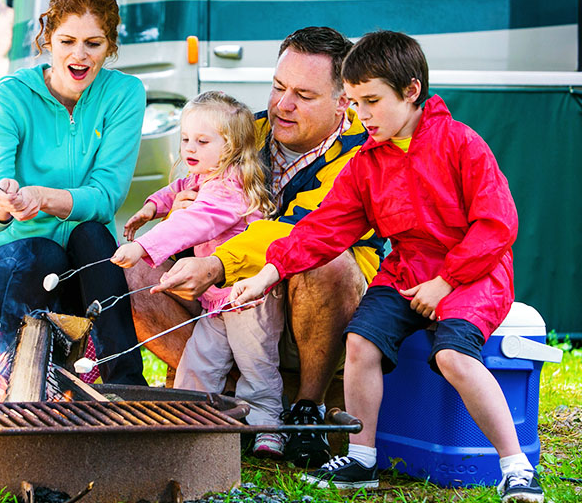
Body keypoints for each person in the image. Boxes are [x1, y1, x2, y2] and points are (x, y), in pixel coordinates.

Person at [230, 31, 543, 502]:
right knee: (360, 342)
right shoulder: (367, 163)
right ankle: (362, 458)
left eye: (372, 101)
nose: (361, 115)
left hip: (476, 271)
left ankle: (515, 467)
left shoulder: (461, 143)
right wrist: (269, 272)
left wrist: (447, 281)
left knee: (453, 356)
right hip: (408, 270)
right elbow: (324, 228)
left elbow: (498, 225)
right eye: (354, 102)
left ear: (411, 91)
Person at [126, 27, 384, 466]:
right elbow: (196, 190)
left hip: (318, 308)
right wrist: (180, 211)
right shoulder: (246, 133)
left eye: (303, 95)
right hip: (230, 307)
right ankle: (222, 398)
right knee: (138, 269)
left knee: (325, 262)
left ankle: (306, 410)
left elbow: (299, 232)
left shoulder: (361, 154)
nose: (283, 104)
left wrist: (217, 265)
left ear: (343, 101)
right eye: (279, 87)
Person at [0, 0, 147, 386]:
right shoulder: (8, 97)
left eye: (94, 44)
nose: (79, 55)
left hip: (82, 276)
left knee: (92, 234)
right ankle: (17, 379)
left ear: (110, 47)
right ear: (47, 38)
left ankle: (128, 387)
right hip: (9, 267)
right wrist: (5, 202)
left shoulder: (124, 94)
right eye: (67, 40)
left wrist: (43, 197)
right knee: (44, 253)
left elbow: (106, 197)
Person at [112, 90, 286, 454]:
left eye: (202, 141)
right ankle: (189, 416)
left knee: (257, 365)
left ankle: (268, 425)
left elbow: (195, 222)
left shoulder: (230, 187)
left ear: (232, 147)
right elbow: (177, 189)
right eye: (186, 138)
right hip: (217, 302)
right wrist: (152, 207)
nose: (190, 147)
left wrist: (145, 246)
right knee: (199, 359)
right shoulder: (204, 174)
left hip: (249, 299)